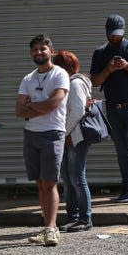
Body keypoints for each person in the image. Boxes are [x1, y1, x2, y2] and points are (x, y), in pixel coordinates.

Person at [90, 15, 128, 203]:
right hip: (112, 106)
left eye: (117, 34)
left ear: (124, 31)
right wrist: (108, 69)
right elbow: (94, 81)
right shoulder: (100, 53)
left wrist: (127, 66)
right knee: (122, 149)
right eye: (111, 34)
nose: (114, 38)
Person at [15, 35, 69, 246]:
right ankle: (50, 226)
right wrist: (39, 106)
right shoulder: (28, 79)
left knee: (50, 182)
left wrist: (32, 106)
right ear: (31, 53)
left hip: (52, 132)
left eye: (42, 49)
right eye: (35, 49)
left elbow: (54, 104)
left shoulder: (60, 74)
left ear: (52, 52)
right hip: (31, 134)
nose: (39, 52)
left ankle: (50, 228)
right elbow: (19, 111)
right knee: (39, 184)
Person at [52, 50, 94, 232]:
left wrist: (63, 132)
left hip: (75, 138)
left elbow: (77, 112)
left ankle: (85, 218)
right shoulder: (68, 83)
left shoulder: (76, 84)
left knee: (77, 178)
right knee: (68, 179)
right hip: (69, 138)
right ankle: (73, 217)